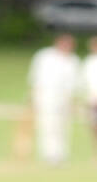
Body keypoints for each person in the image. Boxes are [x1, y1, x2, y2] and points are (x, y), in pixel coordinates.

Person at [26, 32, 80, 164]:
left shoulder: (73, 60)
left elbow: (75, 83)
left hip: (64, 96)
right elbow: (36, 77)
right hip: (46, 94)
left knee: (63, 126)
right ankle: (49, 155)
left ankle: (61, 154)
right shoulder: (45, 56)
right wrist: (33, 96)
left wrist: (73, 101)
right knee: (47, 124)